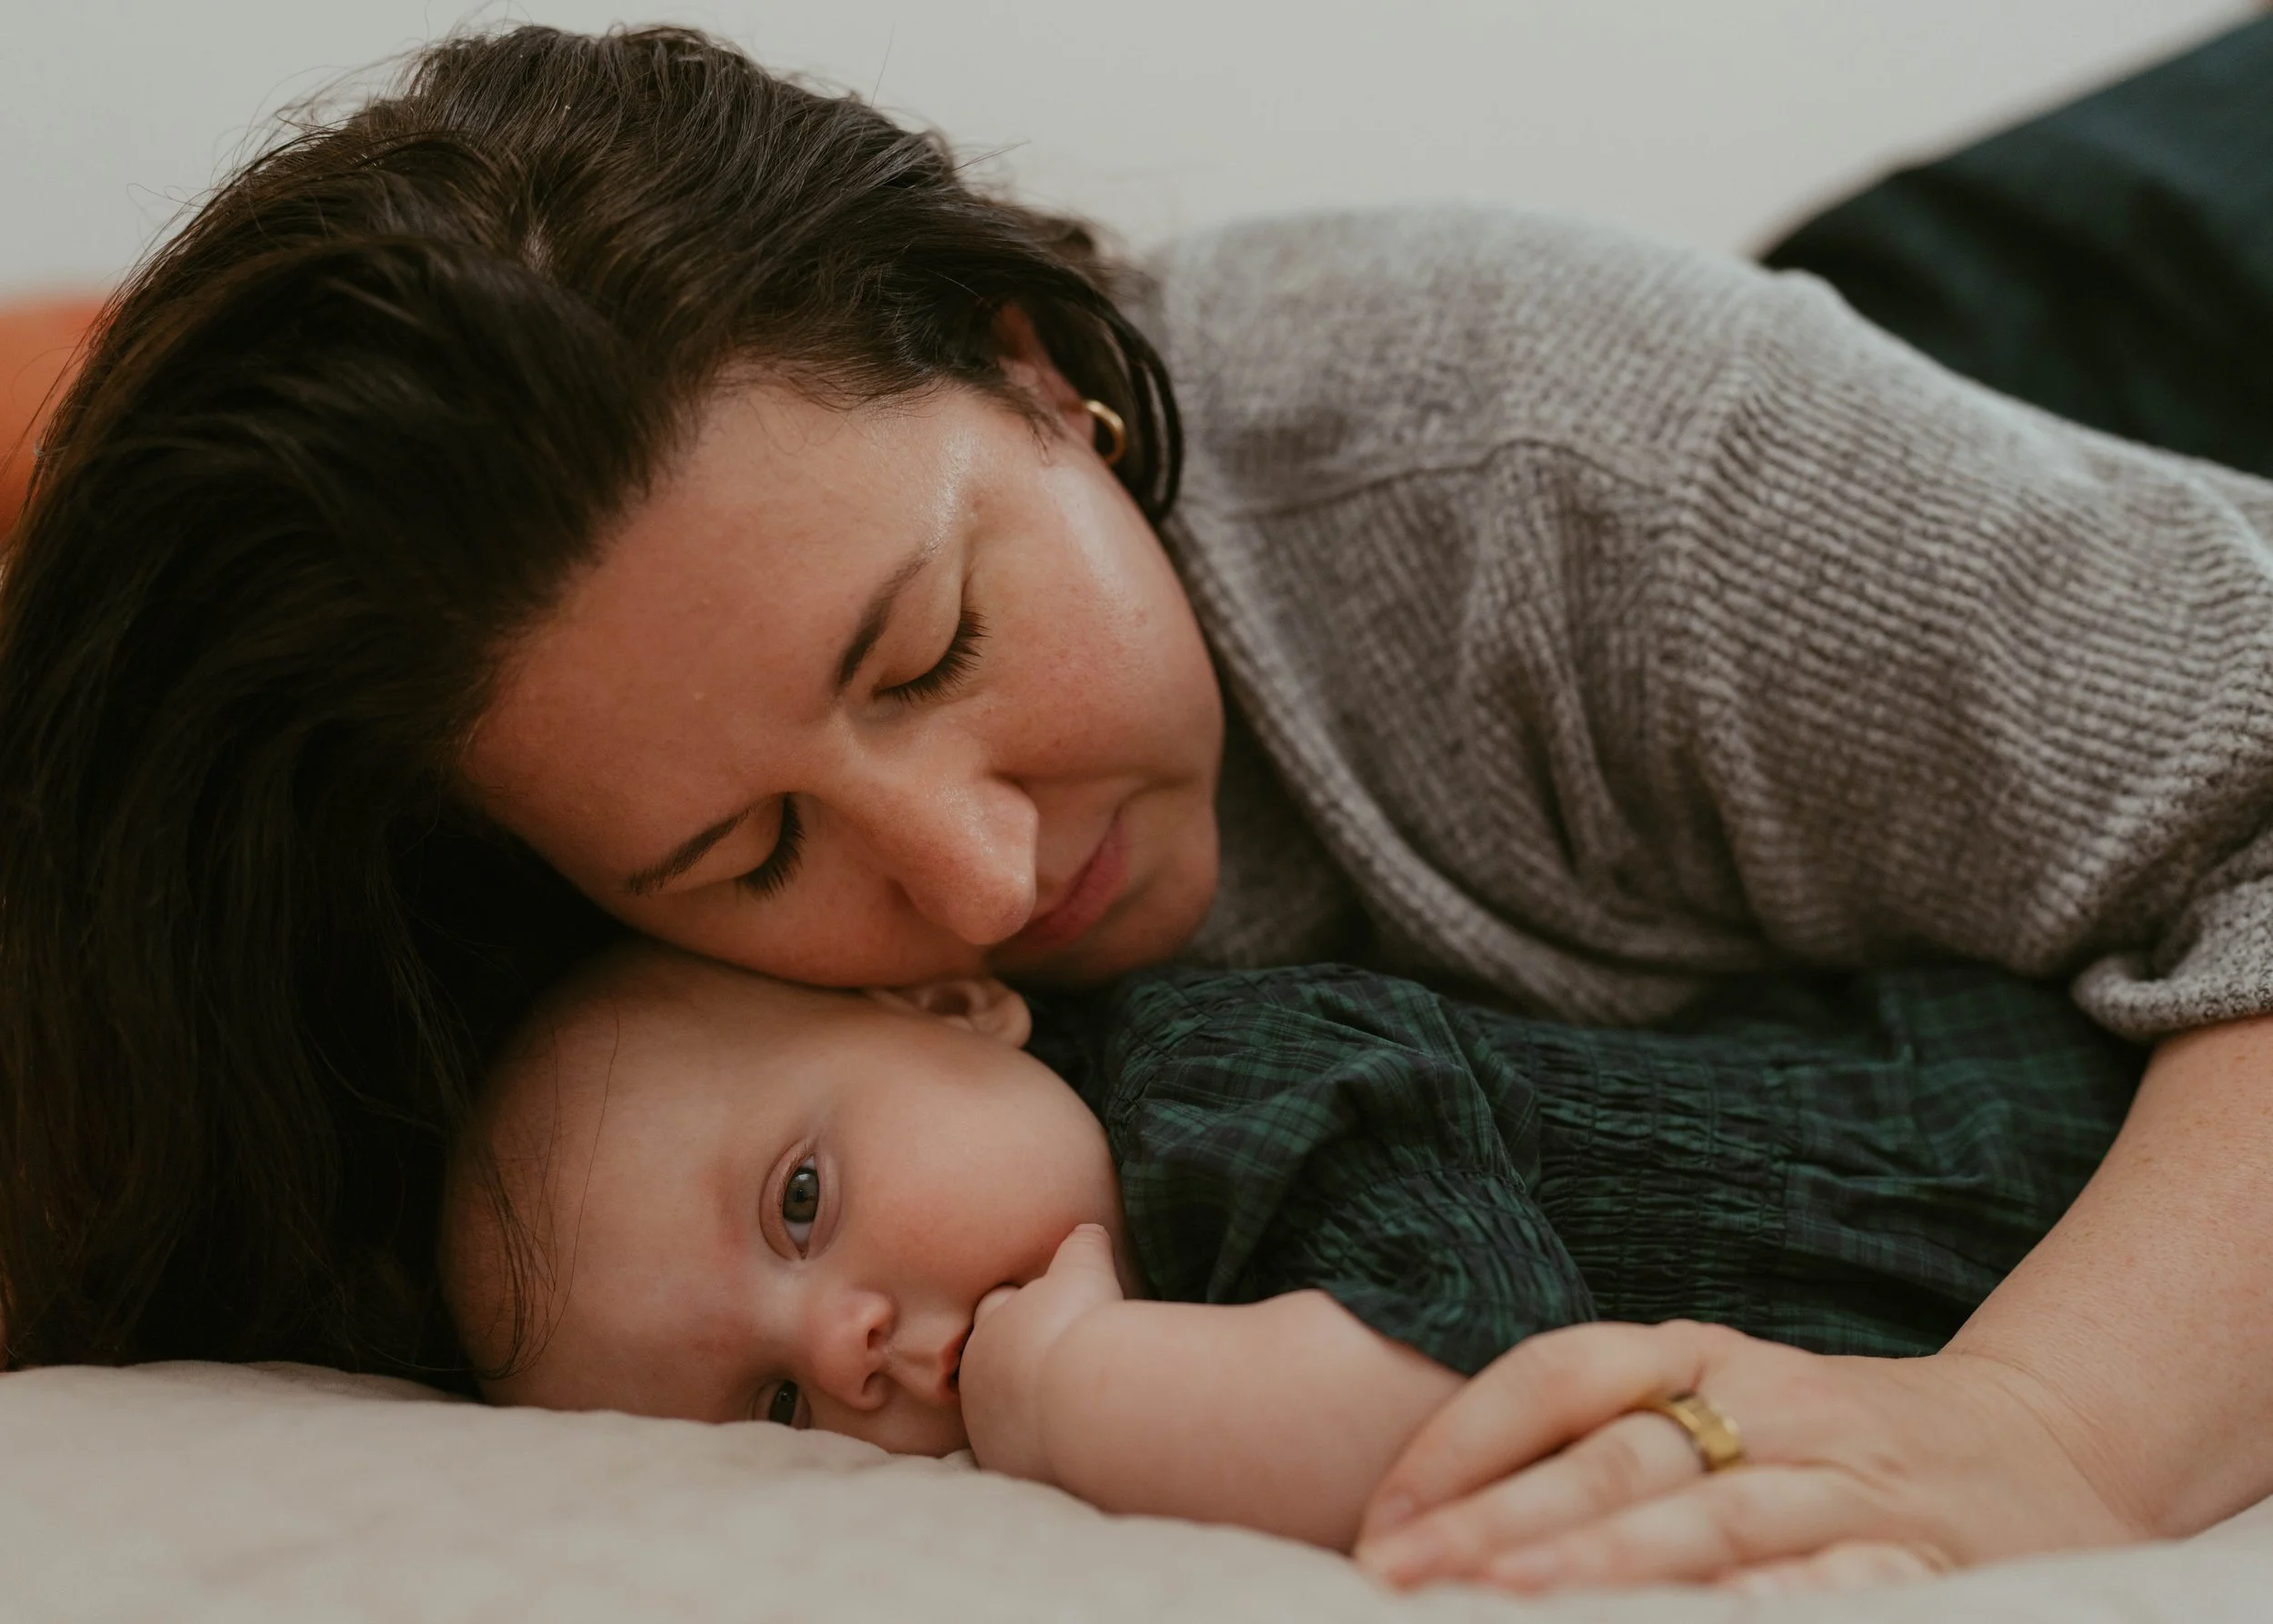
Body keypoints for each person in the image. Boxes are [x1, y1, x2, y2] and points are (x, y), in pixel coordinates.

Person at [6, 17, 2273, 1596]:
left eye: (929, 649)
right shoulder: (547, 996)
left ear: (1042, 370)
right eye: (751, 855)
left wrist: (2047, 1428)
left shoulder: (1560, 472)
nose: (981, 877)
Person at [442, 938, 2137, 1552]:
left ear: (953, 1006)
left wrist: (1079, 1384)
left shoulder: (1231, 1073)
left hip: (2035, 1136)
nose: (841, 1348)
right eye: (772, 1404)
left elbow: (1464, 1399)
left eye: (803, 1201)